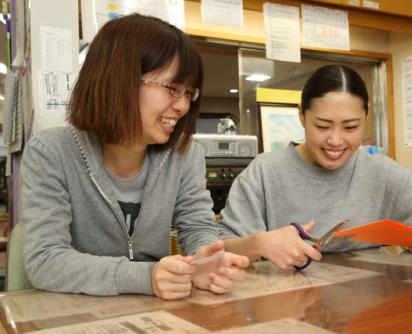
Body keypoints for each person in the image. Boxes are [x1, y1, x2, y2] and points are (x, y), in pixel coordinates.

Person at [22, 14, 248, 300]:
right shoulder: (52, 151)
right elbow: (45, 260)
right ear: (119, 81)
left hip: (157, 311)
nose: (182, 106)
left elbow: (198, 227)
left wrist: (206, 257)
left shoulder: (185, 155)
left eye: (189, 93)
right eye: (172, 89)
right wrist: (145, 277)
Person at [218, 65, 412, 272]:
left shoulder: (381, 173)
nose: (335, 140)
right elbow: (218, 249)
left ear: (365, 118)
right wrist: (257, 244)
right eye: (322, 126)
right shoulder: (264, 172)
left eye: (351, 127)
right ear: (301, 116)